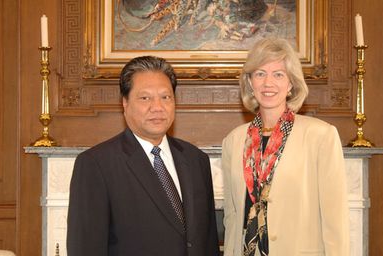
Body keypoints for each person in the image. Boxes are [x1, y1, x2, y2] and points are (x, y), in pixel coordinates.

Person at [67, 56, 219, 256]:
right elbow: (86, 249)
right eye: (145, 98)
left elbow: (207, 242)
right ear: (125, 103)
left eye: (166, 97)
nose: (157, 107)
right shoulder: (96, 164)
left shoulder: (196, 160)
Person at [222, 38, 350, 256]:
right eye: (260, 73)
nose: (268, 83)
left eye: (278, 74)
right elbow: (232, 216)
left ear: (291, 84)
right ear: (250, 82)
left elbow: (335, 217)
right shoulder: (233, 141)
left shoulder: (320, 135)